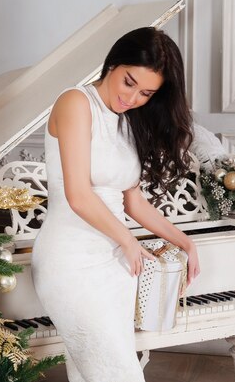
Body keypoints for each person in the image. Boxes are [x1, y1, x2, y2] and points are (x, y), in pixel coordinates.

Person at [31, 27, 201, 382]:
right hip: (71, 260)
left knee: (92, 373)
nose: (133, 97)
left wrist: (184, 241)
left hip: (117, 265)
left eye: (146, 93)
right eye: (128, 82)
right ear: (112, 63)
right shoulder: (75, 102)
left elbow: (133, 200)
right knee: (118, 373)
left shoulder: (127, 120)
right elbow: (78, 195)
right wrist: (127, 240)